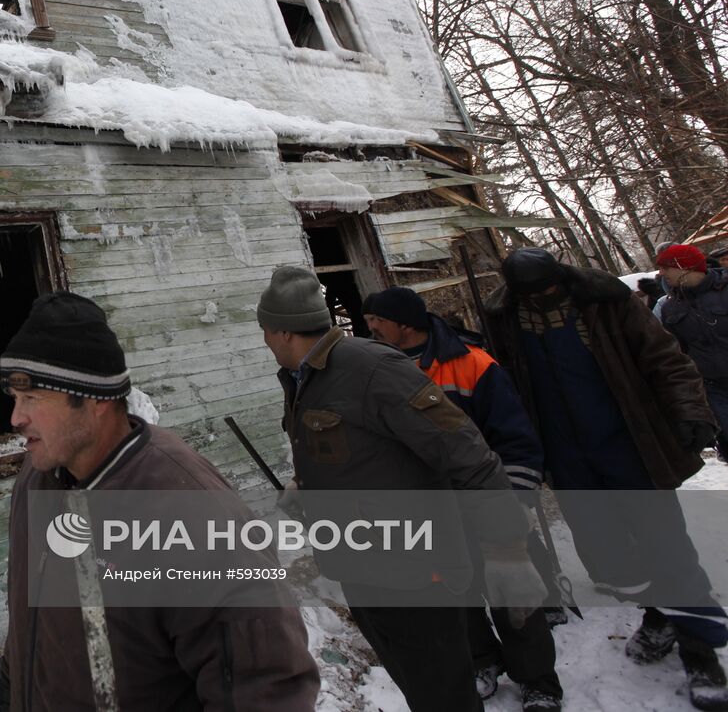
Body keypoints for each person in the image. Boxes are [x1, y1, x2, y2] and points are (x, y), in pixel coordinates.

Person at [0, 292, 320, 711]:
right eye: (15, 399)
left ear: (94, 399)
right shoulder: (37, 479)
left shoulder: (184, 507)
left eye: (33, 398)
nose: (15, 418)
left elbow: (266, 688)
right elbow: (29, 622)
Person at [255, 266, 543, 712]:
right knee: (418, 684)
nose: (265, 342)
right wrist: (303, 485)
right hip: (362, 567)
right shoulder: (304, 378)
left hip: (413, 572)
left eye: (266, 332)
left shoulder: (371, 367)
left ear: (283, 331)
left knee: (443, 693)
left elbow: (466, 452)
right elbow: (356, 452)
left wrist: (508, 550)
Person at [485, 247, 728, 711]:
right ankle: (657, 614)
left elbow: (666, 359)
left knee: (669, 550)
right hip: (567, 458)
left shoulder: (604, 300)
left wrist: (690, 411)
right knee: (610, 560)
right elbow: (505, 387)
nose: (542, 299)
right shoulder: (504, 316)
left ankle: (700, 654)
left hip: (630, 445)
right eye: (532, 294)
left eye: (548, 290)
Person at [362, 286, 562, 711]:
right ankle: (481, 660)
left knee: (511, 597)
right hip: (432, 510)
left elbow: (516, 439)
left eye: (377, 320)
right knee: (457, 596)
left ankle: (538, 679)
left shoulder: (473, 364)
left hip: (484, 501)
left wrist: (517, 500)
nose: (370, 328)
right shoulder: (378, 371)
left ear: (403, 323)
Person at [657, 244, 728, 461]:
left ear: (684, 267)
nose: (660, 273)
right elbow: (677, 354)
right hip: (714, 390)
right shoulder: (670, 308)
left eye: (665, 267)